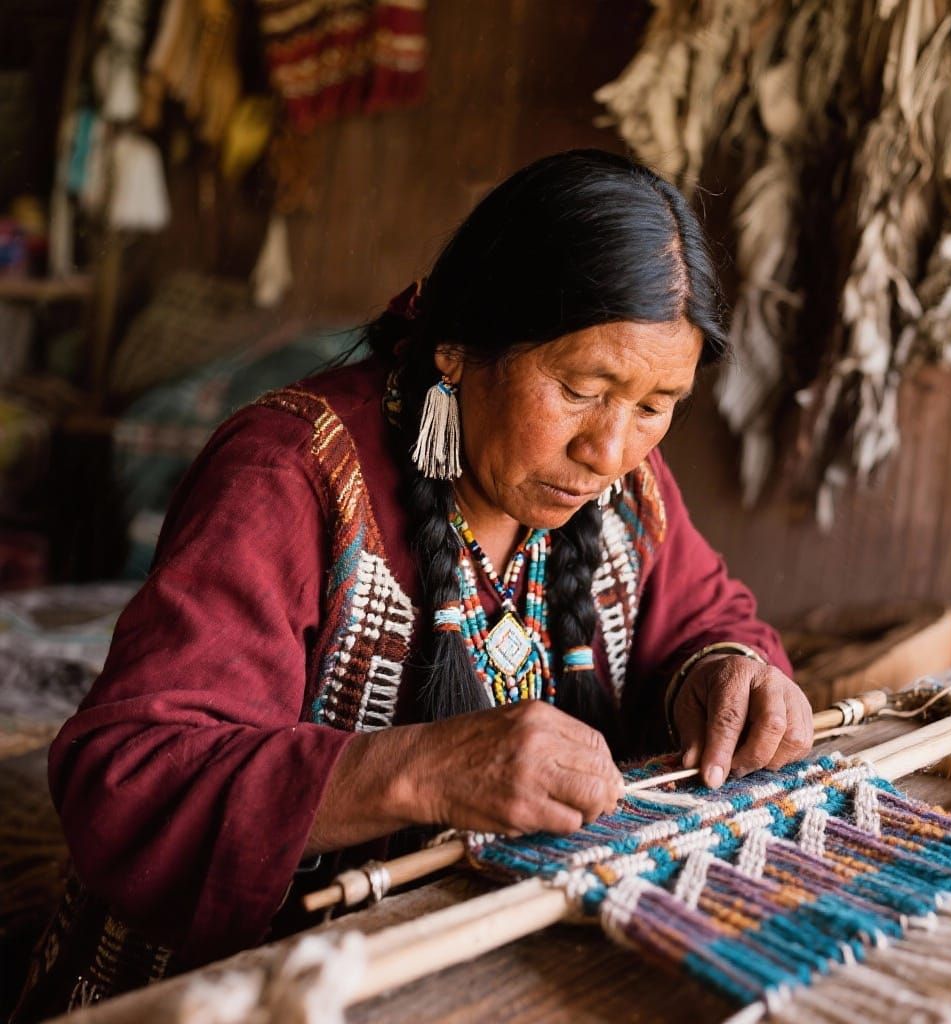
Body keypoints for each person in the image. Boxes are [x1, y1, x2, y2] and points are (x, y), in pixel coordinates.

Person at [14, 149, 812, 1020]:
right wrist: (416, 771)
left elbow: (708, 618)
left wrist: (725, 677)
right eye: (582, 388)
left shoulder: (626, 490)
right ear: (459, 350)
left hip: (494, 979)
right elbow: (128, 779)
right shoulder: (291, 476)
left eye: (658, 405)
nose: (611, 449)